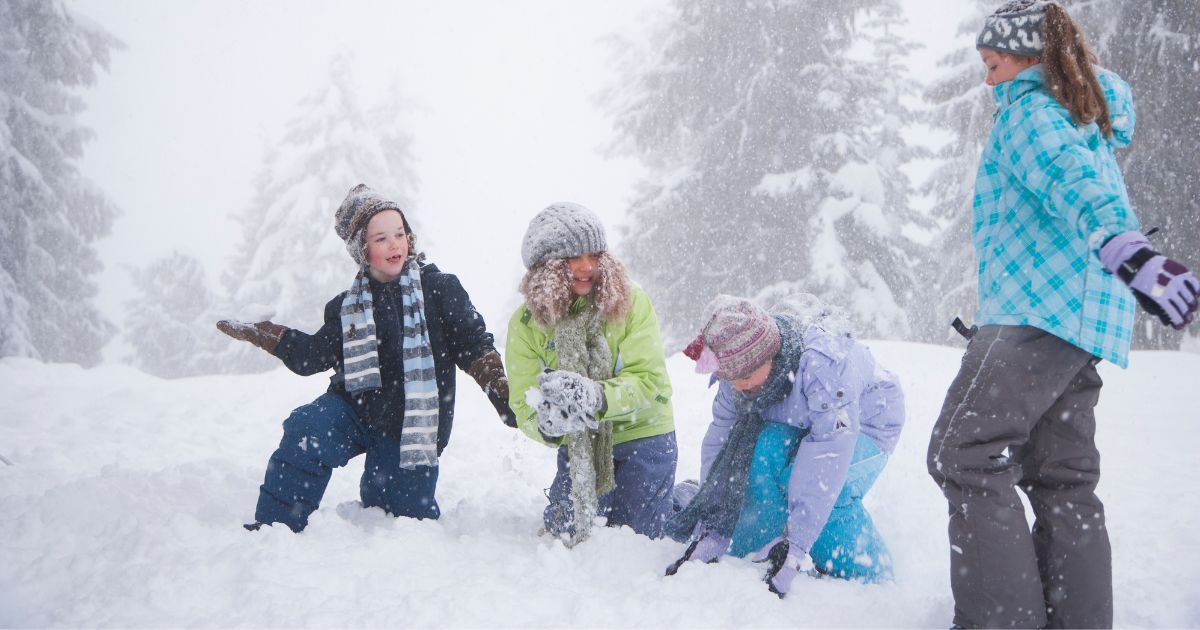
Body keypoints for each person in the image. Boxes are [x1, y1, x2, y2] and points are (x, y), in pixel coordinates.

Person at [927, 2, 1200, 627]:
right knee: (1062, 476)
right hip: (1079, 326)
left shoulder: (1032, 114)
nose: (988, 79)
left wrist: (1126, 248)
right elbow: (1078, 179)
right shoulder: (1083, 117)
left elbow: (1072, 183)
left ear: (1029, 60)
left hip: (1033, 314)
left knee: (963, 454)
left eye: (994, 65)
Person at [217, 184, 515, 532]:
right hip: (353, 410)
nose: (394, 244)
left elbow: (474, 345)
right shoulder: (349, 306)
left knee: (398, 517)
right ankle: (274, 528)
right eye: (380, 238)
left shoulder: (440, 290)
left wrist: (500, 389)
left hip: (410, 431)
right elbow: (311, 357)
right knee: (307, 429)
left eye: (399, 234)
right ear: (362, 248)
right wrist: (265, 332)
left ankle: (388, 491)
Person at [665, 295, 904, 597]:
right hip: (800, 420)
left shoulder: (824, 367)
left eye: (747, 377)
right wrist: (715, 524)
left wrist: (797, 545)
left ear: (770, 356)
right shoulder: (737, 370)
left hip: (866, 423)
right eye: (731, 379)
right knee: (758, 457)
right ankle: (752, 553)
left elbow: (826, 456)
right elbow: (722, 442)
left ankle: (866, 576)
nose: (738, 386)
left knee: (821, 487)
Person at [505, 202, 677, 544]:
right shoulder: (526, 326)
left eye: (595, 255)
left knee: (637, 541)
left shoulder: (631, 302)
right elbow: (524, 403)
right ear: (547, 267)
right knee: (566, 537)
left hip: (644, 433)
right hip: (580, 444)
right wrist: (547, 425)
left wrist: (596, 397)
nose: (588, 267)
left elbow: (649, 379)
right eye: (573, 259)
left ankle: (679, 502)